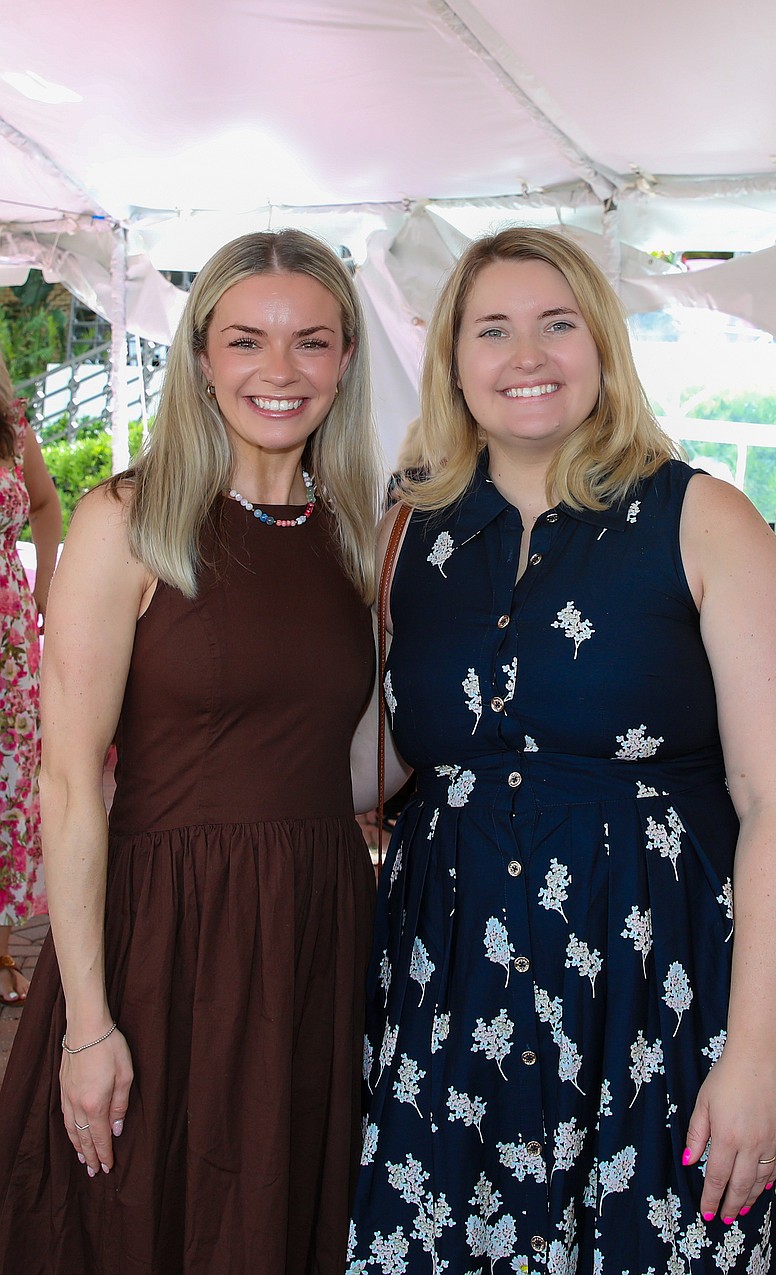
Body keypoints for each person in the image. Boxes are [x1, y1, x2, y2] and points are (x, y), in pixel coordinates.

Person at [347, 228, 776, 1272]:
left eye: (555, 324)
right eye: (493, 329)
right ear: (453, 360)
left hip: (665, 984)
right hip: (458, 983)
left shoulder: (702, 518)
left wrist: (754, 1055)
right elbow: (388, 757)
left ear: (603, 346)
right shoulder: (410, 531)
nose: (525, 355)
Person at [0, 229, 382, 1274]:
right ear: (202, 357)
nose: (279, 370)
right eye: (246, 340)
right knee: (146, 1221)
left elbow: (351, 761)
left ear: (346, 358)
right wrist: (86, 1023)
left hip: (316, 928)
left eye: (311, 341)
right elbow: (71, 785)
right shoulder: (127, 521)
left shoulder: (356, 535)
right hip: (166, 938)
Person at [0, 350, 61, 1004]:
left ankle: (2, 950)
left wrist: (44, 582)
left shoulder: (11, 423)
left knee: (10, 783)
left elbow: (44, 504)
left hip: (9, 633)